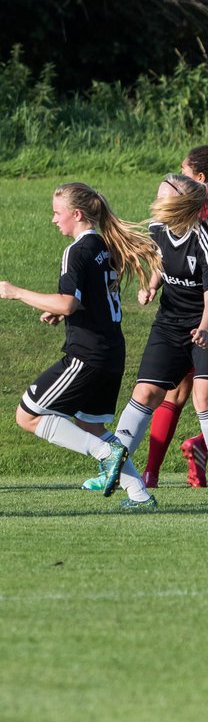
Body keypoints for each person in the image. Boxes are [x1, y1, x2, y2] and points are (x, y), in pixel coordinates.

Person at [0, 183, 157, 506]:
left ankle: (106, 454)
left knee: (27, 414)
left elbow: (68, 303)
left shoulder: (76, 251)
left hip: (87, 355)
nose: (54, 220)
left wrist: (18, 292)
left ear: (76, 214)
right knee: (89, 423)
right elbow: (84, 301)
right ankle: (138, 495)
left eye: (58, 213)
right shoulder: (104, 245)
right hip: (112, 353)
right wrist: (58, 311)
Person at [82, 174, 208, 509]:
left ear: (180, 204)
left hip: (205, 324)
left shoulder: (204, 239)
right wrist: (153, 285)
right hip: (169, 324)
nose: (156, 200)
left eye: (163, 195)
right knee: (145, 392)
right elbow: (160, 258)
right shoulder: (157, 229)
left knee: (202, 394)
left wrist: (205, 328)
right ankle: (114, 465)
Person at [140, 145, 208, 488]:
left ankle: (151, 473)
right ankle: (199, 446)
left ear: (200, 178)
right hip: (193, 315)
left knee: (179, 393)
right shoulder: (188, 213)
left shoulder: (193, 212)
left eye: (183, 171)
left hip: (188, 314)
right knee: (189, 392)